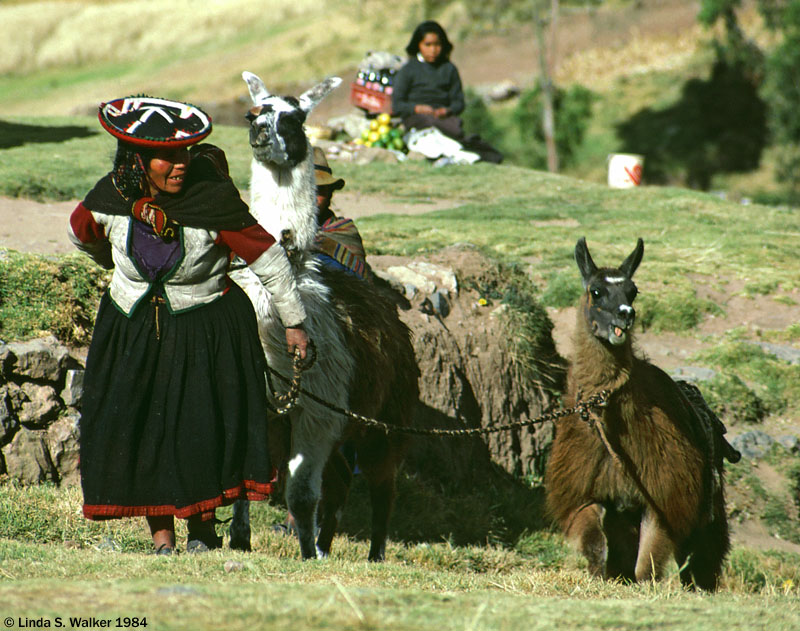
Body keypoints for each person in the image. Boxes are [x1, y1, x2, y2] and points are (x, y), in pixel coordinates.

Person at [68, 95, 309, 555]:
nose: (181, 165)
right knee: (141, 426)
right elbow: (81, 232)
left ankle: (201, 532)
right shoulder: (113, 196)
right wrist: (115, 268)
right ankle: (161, 538)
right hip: (132, 330)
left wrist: (294, 322)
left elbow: (270, 260)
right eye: (169, 157)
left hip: (204, 332)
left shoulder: (212, 201)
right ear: (137, 160)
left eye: (185, 154)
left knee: (199, 429)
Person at [391, 20, 503, 164]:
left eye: (437, 45)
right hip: (417, 119)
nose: (433, 50)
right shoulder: (408, 70)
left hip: (444, 120)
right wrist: (417, 108)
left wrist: (446, 110)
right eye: (428, 45)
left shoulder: (449, 69)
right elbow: (397, 104)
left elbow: (459, 102)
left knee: (461, 136)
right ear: (418, 45)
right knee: (429, 130)